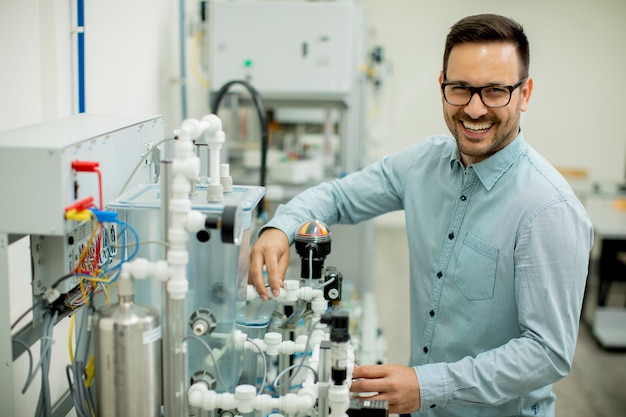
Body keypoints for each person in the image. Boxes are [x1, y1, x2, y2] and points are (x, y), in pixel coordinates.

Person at [248, 13, 594, 417]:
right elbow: (339, 195)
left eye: (496, 91)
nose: (475, 109)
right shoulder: (422, 164)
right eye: (461, 88)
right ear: (442, 85)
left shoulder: (549, 209)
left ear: (525, 93)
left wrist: (426, 384)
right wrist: (280, 227)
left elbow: (546, 353)